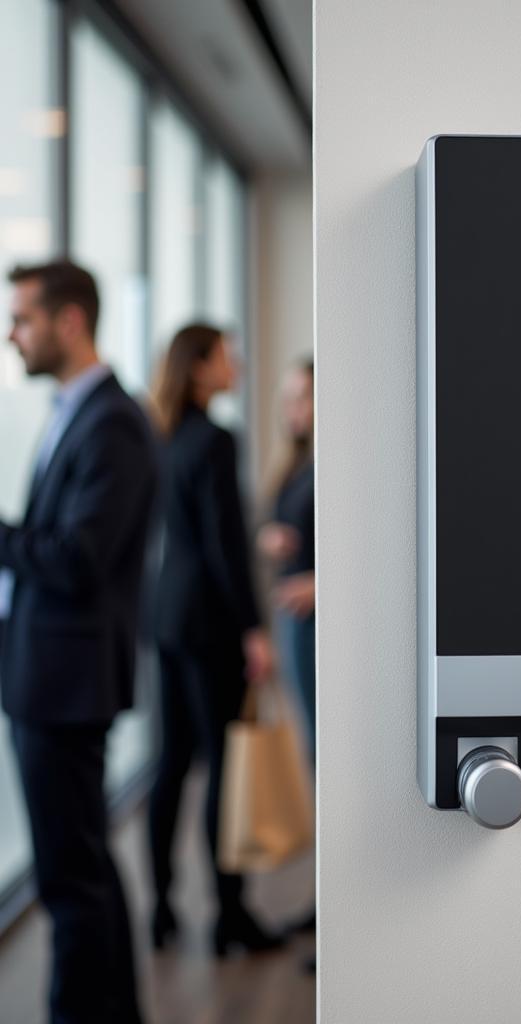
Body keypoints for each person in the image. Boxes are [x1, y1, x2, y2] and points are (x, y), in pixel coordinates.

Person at [1, 261, 156, 1023]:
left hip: (65, 685)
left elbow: (77, 560)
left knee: (69, 884)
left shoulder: (113, 422)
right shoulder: (78, 411)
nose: (11, 333)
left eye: (23, 318)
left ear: (70, 321)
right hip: (50, 677)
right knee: (84, 870)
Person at [147, 323, 281, 955]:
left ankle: (161, 908)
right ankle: (230, 914)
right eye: (229, 357)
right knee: (225, 767)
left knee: (172, 764)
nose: (239, 365)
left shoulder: (165, 434)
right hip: (211, 624)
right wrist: (255, 629)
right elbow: (227, 548)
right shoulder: (217, 440)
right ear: (200, 368)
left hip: (169, 617)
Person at [259, 358, 316, 763]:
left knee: (320, 735)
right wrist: (268, 538)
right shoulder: (296, 464)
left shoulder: (334, 466)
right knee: (306, 733)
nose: (292, 408)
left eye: (302, 397)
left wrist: (320, 584)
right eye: (288, 398)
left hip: (317, 617)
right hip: (290, 614)